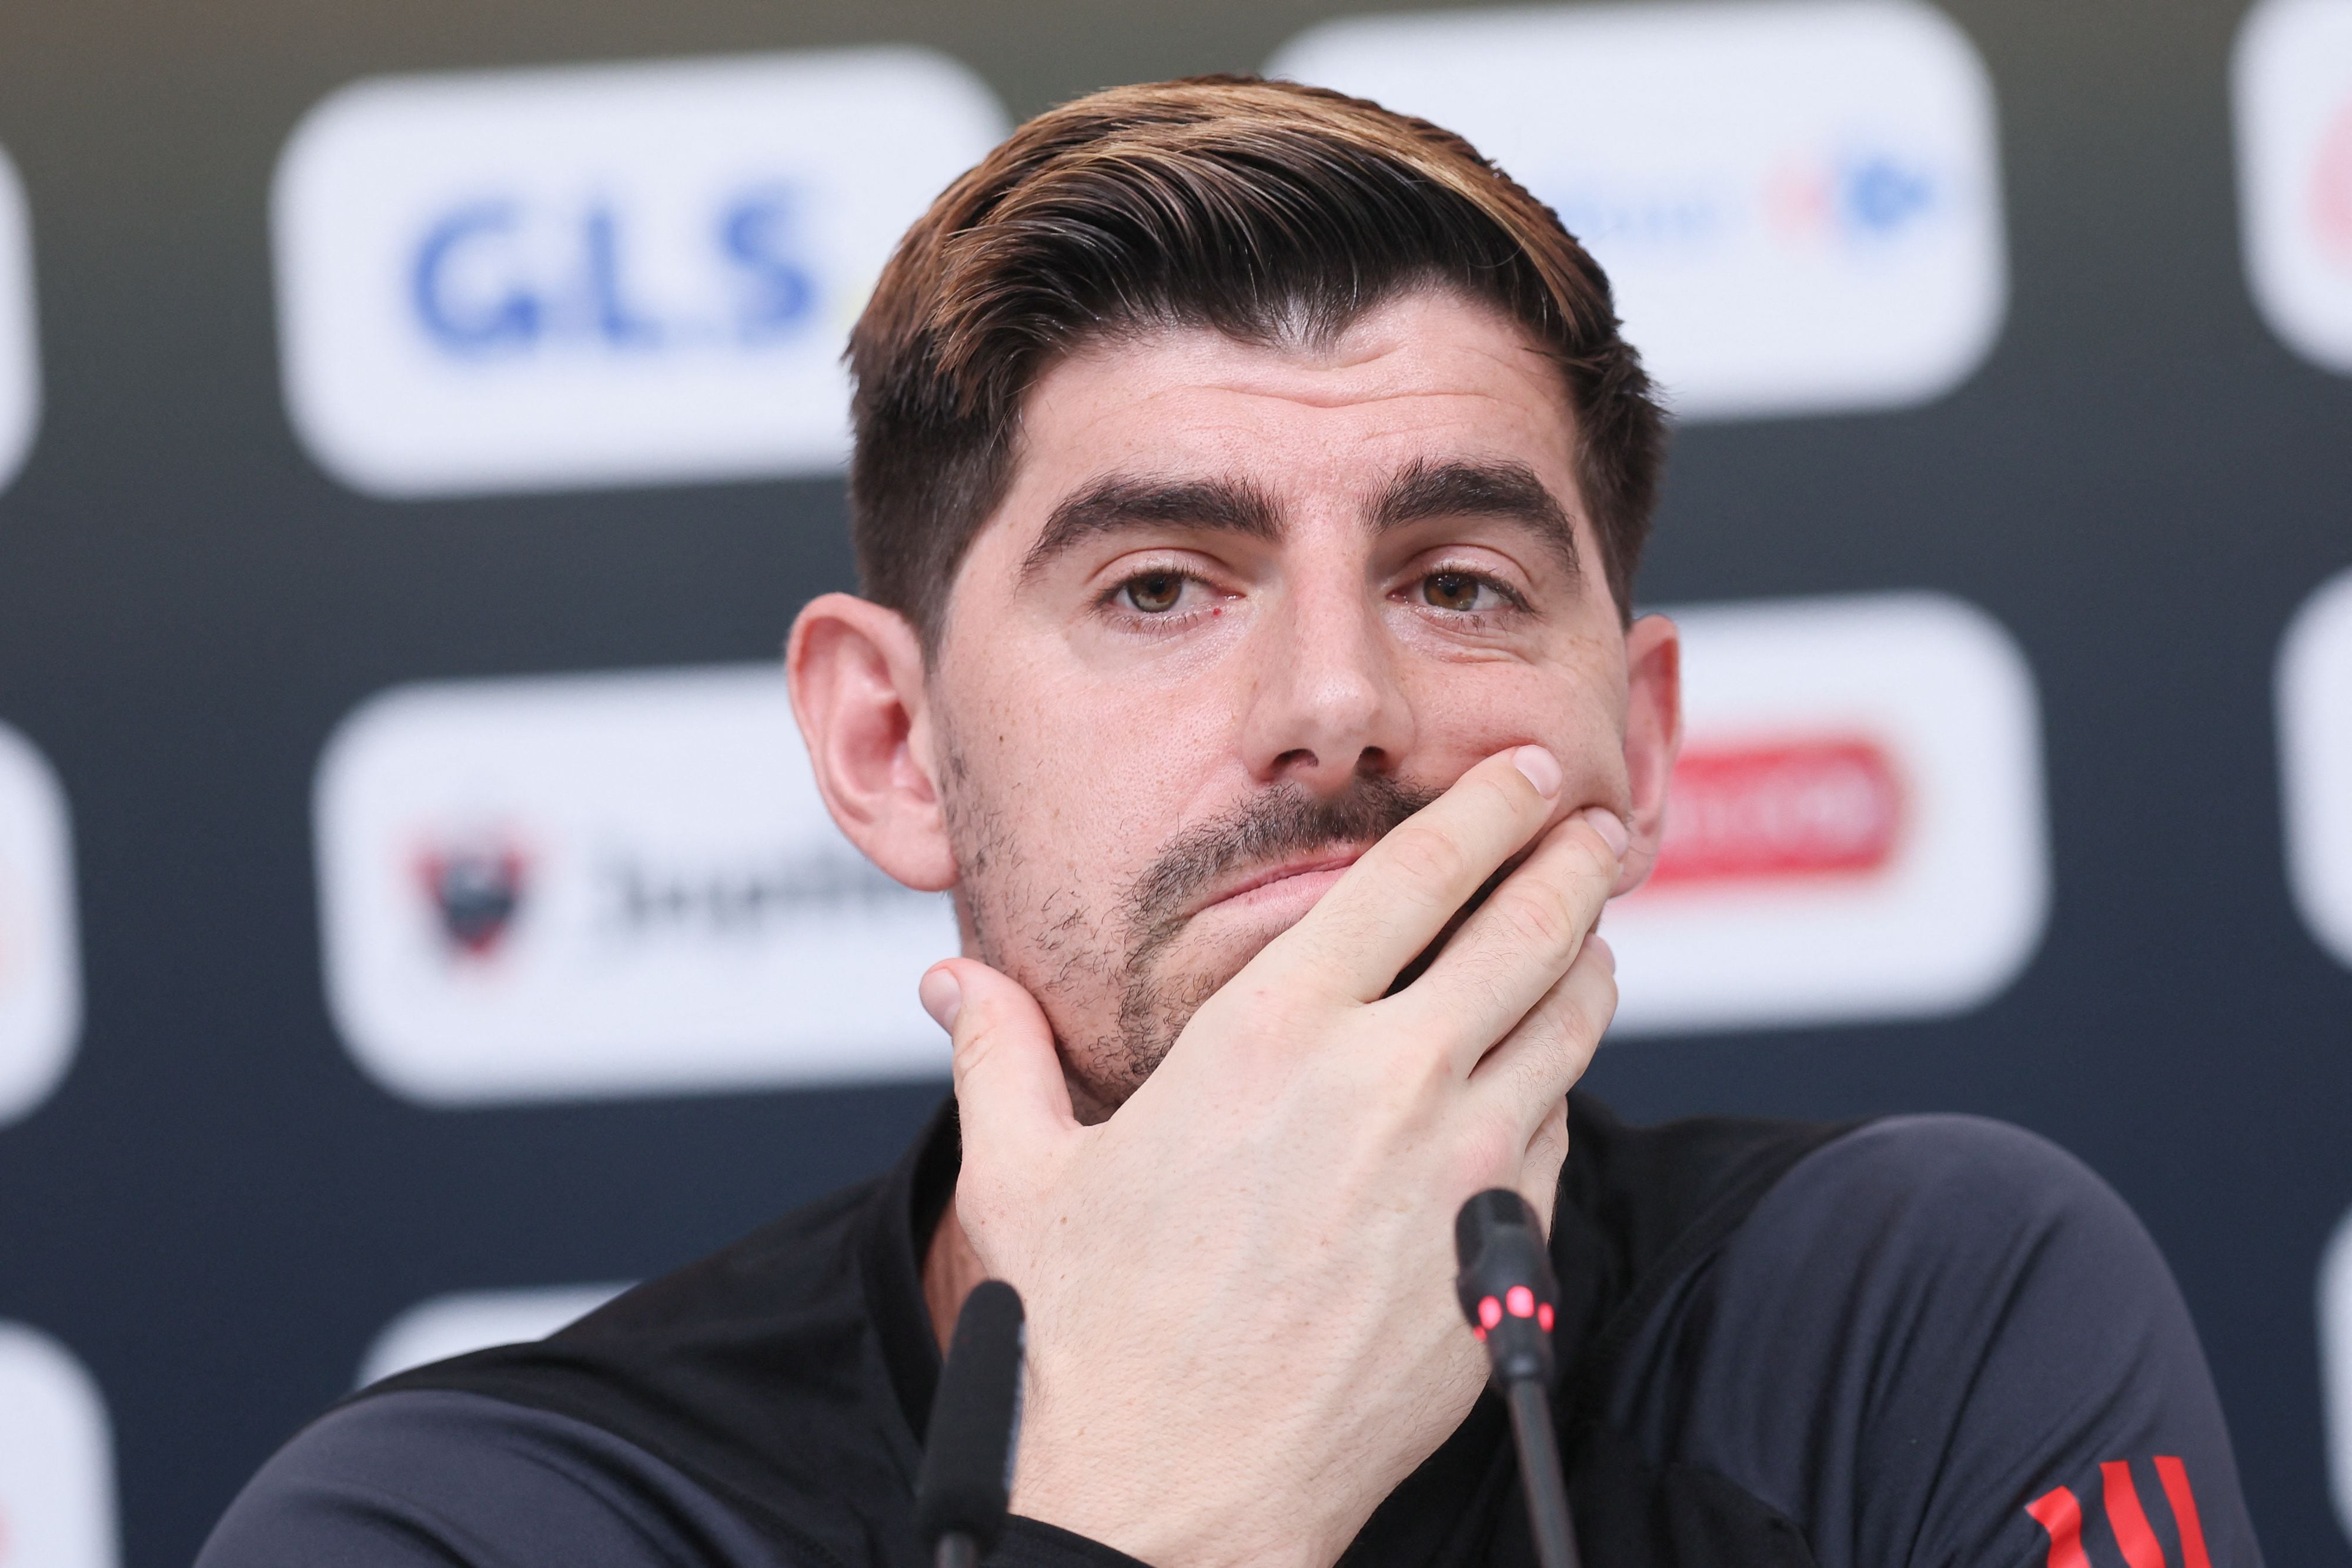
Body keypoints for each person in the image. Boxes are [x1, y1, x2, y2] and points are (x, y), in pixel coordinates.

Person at [199, 76, 2262, 1567]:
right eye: (1160, 587)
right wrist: (1155, 1521)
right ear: (892, 747)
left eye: (1460, 579)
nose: (1339, 709)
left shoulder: (1917, 1315)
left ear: (1635, 740)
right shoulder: (476, 1522)